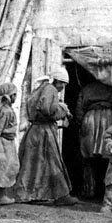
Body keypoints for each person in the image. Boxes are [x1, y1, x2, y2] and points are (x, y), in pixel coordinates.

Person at [14, 69, 78, 206]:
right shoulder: (51, 89)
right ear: (57, 81)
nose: (63, 88)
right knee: (53, 161)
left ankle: (30, 194)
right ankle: (62, 195)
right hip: (44, 131)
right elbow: (46, 109)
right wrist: (63, 110)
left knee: (32, 164)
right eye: (63, 84)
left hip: (34, 131)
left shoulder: (40, 89)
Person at [75, 80, 112, 199]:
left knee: (89, 157)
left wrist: (80, 123)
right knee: (108, 155)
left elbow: (79, 110)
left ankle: (90, 190)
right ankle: (107, 192)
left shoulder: (86, 89)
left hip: (90, 119)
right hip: (108, 119)